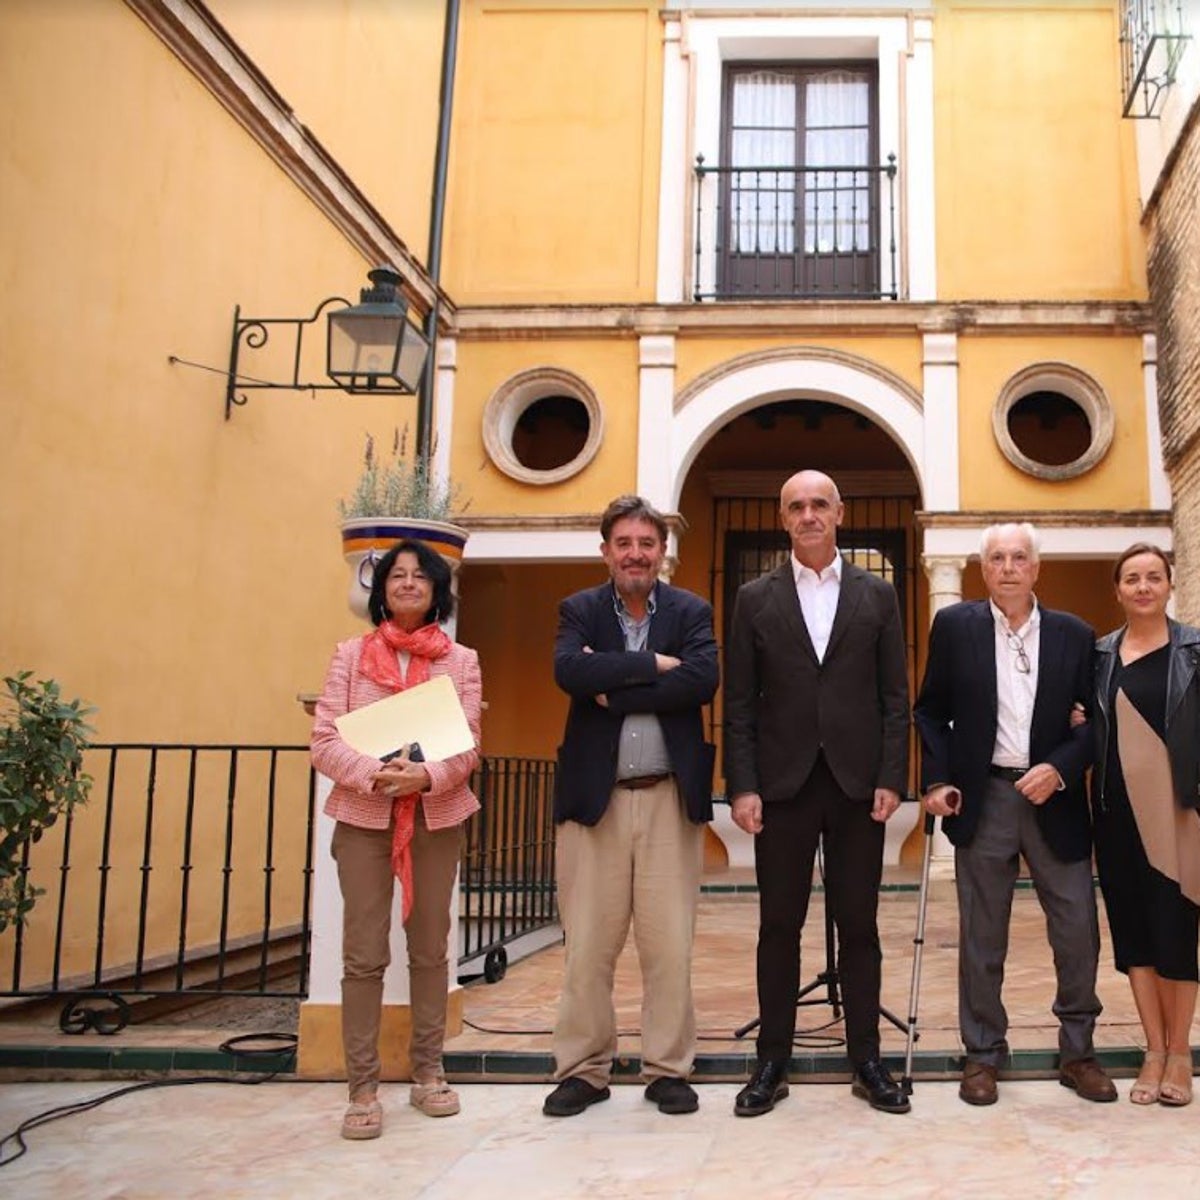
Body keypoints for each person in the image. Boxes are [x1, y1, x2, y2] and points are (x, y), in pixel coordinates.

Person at [724, 469, 911, 1116]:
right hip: (782, 787)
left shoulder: (879, 594)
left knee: (859, 925)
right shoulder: (753, 598)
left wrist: (893, 776)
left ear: (839, 513)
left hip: (861, 787)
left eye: (819, 505)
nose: (808, 515)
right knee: (779, 926)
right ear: (783, 518)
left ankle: (867, 1057)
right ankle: (772, 1059)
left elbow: (895, 698)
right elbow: (740, 703)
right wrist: (741, 786)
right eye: (795, 505)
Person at [914, 522, 1116, 1106]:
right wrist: (938, 779)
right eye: (997, 557)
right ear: (983, 569)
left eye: (1019, 557)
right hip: (983, 797)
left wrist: (1059, 766)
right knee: (983, 934)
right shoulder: (955, 628)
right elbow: (931, 712)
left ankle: (1078, 1052)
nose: (1007, 566)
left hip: (1053, 797)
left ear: (1036, 568)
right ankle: (982, 1055)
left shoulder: (1076, 634)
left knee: (1077, 929)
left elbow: (1095, 725)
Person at [543, 495, 718, 1118]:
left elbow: (701, 681)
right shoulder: (580, 610)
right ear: (606, 551)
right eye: (624, 543)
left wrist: (611, 687)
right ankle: (584, 1070)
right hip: (597, 803)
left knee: (669, 945)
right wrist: (650, 665)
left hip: (669, 798)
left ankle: (668, 1068)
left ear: (662, 551)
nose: (636, 554)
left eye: (647, 543)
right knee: (588, 945)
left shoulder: (692, 611)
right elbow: (570, 674)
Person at [311, 539, 482, 1139]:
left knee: (431, 948)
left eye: (420, 576)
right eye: (397, 575)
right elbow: (324, 740)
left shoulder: (461, 661)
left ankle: (429, 1072)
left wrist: (426, 776)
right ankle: (362, 1087)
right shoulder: (349, 656)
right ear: (382, 589)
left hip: (435, 817)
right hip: (363, 818)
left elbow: (467, 744)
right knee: (362, 955)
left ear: (437, 589)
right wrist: (376, 775)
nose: (408, 583)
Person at [1089, 543, 1200, 1106]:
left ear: (1168, 584)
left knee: (1176, 931)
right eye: (1131, 578)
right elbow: (1089, 720)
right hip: (1114, 815)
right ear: (1118, 589)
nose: (1142, 587)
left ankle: (1180, 1053)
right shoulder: (1101, 654)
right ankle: (1152, 1051)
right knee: (1134, 934)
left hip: (1179, 814)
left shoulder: (1196, 650)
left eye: (1153, 577)